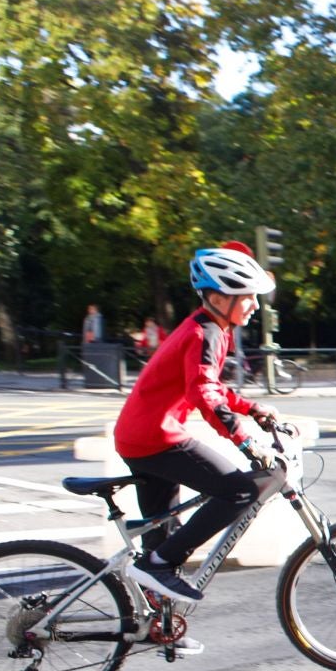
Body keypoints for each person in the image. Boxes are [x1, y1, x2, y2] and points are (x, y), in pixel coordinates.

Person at [111, 246, 288, 615]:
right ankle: (158, 565)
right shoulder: (205, 332)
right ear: (221, 298)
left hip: (141, 437)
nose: (255, 305)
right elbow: (203, 392)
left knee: (162, 541)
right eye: (249, 296)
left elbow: (209, 385)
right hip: (157, 439)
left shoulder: (208, 328)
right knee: (240, 492)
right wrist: (244, 439)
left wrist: (251, 408)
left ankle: (160, 627)